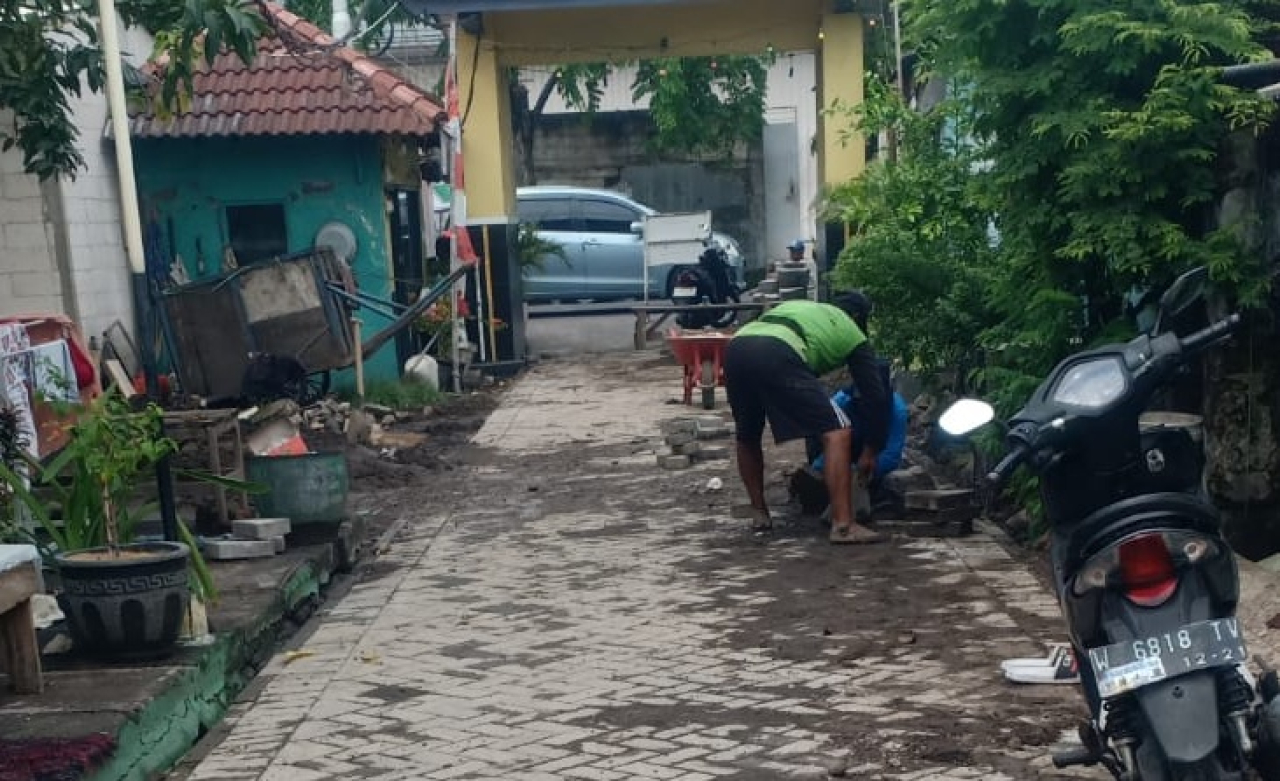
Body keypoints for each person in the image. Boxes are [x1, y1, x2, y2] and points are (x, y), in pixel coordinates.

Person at [723, 291, 890, 544]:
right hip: (777, 350)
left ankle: (759, 514)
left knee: (747, 433)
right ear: (858, 317)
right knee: (838, 430)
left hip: (737, 346)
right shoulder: (852, 332)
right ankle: (844, 526)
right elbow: (875, 396)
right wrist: (870, 452)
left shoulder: (804, 308)